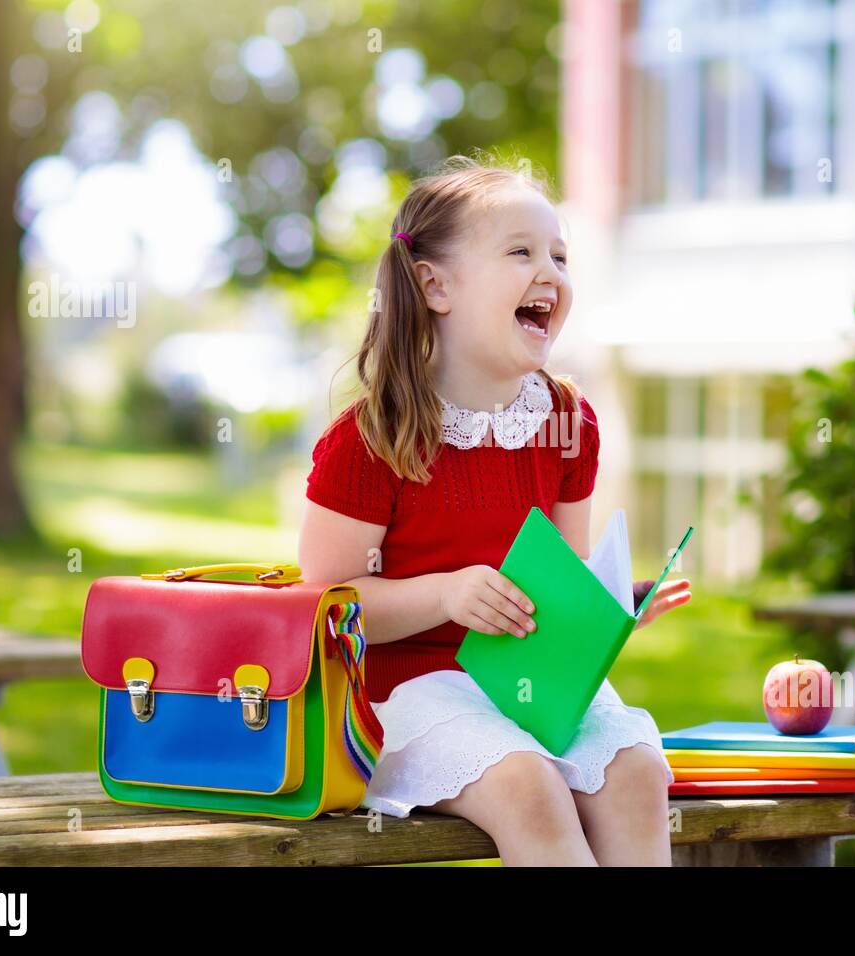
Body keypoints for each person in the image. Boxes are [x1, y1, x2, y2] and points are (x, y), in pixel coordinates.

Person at [298, 155, 692, 865]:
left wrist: (608, 607)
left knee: (638, 771)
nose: (551, 272)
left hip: (534, 686)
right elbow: (327, 607)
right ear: (435, 284)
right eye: (521, 252)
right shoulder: (371, 439)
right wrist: (447, 593)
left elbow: (560, 577)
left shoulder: (568, 421)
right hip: (407, 696)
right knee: (526, 785)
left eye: (560, 256)